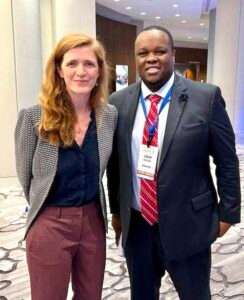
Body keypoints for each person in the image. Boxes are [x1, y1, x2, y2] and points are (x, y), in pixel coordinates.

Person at [107, 26, 241, 300]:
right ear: (136, 58)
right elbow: (115, 165)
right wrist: (116, 212)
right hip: (139, 226)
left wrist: (228, 213)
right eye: (143, 53)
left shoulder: (205, 97)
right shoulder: (118, 102)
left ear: (173, 53)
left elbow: (226, 160)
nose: (151, 58)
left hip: (189, 224)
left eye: (160, 51)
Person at [15, 33, 117, 300]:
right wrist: (51, 213)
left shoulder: (109, 116)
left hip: (93, 221)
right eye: (72, 64)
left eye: (89, 64)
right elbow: (26, 178)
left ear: (99, 72)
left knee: (90, 295)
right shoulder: (33, 117)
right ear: (59, 70)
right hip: (50, 223)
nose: (81, 72)